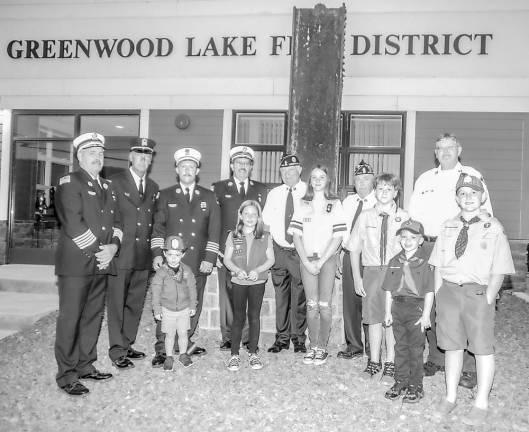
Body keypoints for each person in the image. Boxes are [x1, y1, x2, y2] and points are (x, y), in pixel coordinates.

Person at [408, 132, 493, 389]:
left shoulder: (470, 175)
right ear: (435, 153)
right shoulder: (425, 179)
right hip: (430, 244)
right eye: (440, 148)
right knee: (432, 302)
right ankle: (437, 357)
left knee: (462, 304)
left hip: (460, 245)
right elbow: (414, 216)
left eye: (450, 147)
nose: (444, 152)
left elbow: (486, 213)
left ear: (459, 149)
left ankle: (467, 367)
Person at [429, 174, 514, 426]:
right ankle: (450, 396)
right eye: (463, 193)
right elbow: (437, 266)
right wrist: (438, 296)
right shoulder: (447, 226)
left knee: (482, 349)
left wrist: (489, 297)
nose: (468, 198)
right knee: (452, 346)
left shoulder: (493, 227)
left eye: (473, 193)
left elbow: (500, 268)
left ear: (482, 197)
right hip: (449, 293)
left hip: (477, 294)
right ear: (457, 198)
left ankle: (481, 402)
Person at [54, 132, 122, 396]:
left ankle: (85, 365)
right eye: (92, 153)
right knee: (70, 319)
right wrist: (100, 251)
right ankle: (67, 375)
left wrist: (114, 247)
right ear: (79, 156)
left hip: (102, 262)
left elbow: (118, 223)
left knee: (93, 316)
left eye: (101, 153)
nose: (98, 157)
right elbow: (72, 222)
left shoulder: (107, 186)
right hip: (77, 264)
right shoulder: (69, 182)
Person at [150, 147, 220, 367]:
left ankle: (185, 341)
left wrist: (209, 257)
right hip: (172, 262)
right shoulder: (165, 195)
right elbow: (158, 228)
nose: (187, 170)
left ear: (197, 170)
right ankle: (163, 348)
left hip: (198, 260)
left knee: (193, 303)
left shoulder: (208, 196)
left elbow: (214, 230)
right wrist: (156, 254)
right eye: (183, 166)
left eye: (192, 166)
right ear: (176, 169)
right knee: (168, 302)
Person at [347, 173, 408, 379]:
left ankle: (391, 361)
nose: (384, 193)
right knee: (373, 318)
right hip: (372, 272)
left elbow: (410, 250)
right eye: (380, 189)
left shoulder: (404, 217)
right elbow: (354, 249)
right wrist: (357, 277)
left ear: (396, 192)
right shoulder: (365, 216)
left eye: (388, 189)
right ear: (375, 191)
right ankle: (374, 360)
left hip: (395, 272)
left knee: (391, 318)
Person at [107, 137, 159, 369]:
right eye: (139, 154)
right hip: (122, 253)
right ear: (130, 157)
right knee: (117, 304)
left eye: (147, 156)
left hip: (142, 255)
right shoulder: (115, 182)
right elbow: (109, 218)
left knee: (135, 304)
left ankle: (127, 343)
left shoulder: (153, 187)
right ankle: (117, 350)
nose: (143, 159)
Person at [289, 165, 346, 365]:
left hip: (327, 259)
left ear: (327, 180)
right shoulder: (302, 203)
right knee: (311, 306)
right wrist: (305, 260)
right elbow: (296, 235)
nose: (318, 180)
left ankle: (323, 347)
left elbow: (338, 237)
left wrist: (321, 261)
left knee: (324, 305)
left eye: (322, 176)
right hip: (307, 260)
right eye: (314, 177)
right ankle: (312, 347)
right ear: (310, 181)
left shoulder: (335, 203)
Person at [212, 146, 267, 351]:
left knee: (250, 293)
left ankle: (246, 337)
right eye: (239, 163)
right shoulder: (219, 188)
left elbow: (264, 222)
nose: (242, 166)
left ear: (251, 166)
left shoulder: (261, 190)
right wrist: (216, 249)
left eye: (246, 163)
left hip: (253, 251)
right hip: (228, 250)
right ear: (232, 165)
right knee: (228, 295)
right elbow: (214, 221)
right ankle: (228, 336)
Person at [382, 219, 434, 403]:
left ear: (421, 240)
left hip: (416, 307)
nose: (408, 240)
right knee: (400, 346)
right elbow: (388, 289)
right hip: (397, 307)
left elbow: (429, 291)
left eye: (413, 237)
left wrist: (426, 314)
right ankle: (401, 380)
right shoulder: (394, 261)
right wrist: (387, 312)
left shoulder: (426, 262)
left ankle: (416, 384)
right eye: (404, 237)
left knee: (416, 348)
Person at [262, 154, 307, 354]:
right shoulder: (274, 194)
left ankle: (298, 339)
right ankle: (281, 338)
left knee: (299, 296)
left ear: (299, 170)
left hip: (299, 251)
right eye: (284, 171)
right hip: (279, 250)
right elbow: (266, 223)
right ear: (280, 173)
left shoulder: (309, 191)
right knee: (281, 296)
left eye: (292, 170)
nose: (288, 174)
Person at [223, 200, 275, 371]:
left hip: (257, 282)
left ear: (258, 217)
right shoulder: (233, 235)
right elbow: (226, 259)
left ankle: (253, 353)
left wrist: (258, 270)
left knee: (254, 317)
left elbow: (271, 259)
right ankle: (234, 355)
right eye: (247, 214)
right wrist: (237, 270)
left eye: (254, 214)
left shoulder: (265, 236)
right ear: (241, 216)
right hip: (238, 282)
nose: (250, 217)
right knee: (238, 318)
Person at [338, 160, 377, 360]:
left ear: (373, 181)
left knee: (370, 301)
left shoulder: (379, 201)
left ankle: (373, 347)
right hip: (349, 254)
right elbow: (341, 231)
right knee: (350, 302)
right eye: (358, 179)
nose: (362, 183)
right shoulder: (348, 202)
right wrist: (339, 253)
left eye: (366, 179)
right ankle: (353, 344)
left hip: (370, 257)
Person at [151, 235, 197, 370]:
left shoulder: (187, 271)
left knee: (183, 334)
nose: (173, 258)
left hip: (183, 308)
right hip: (167, 309)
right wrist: (157, 309)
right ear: (164, 253)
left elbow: (192, 289)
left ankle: (183, 354)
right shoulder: (161, 273)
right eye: (170, 254)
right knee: (169, 335)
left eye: (177, 255)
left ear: (183, 254)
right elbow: (156, 291)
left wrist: (193, 305)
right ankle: (169, 357)